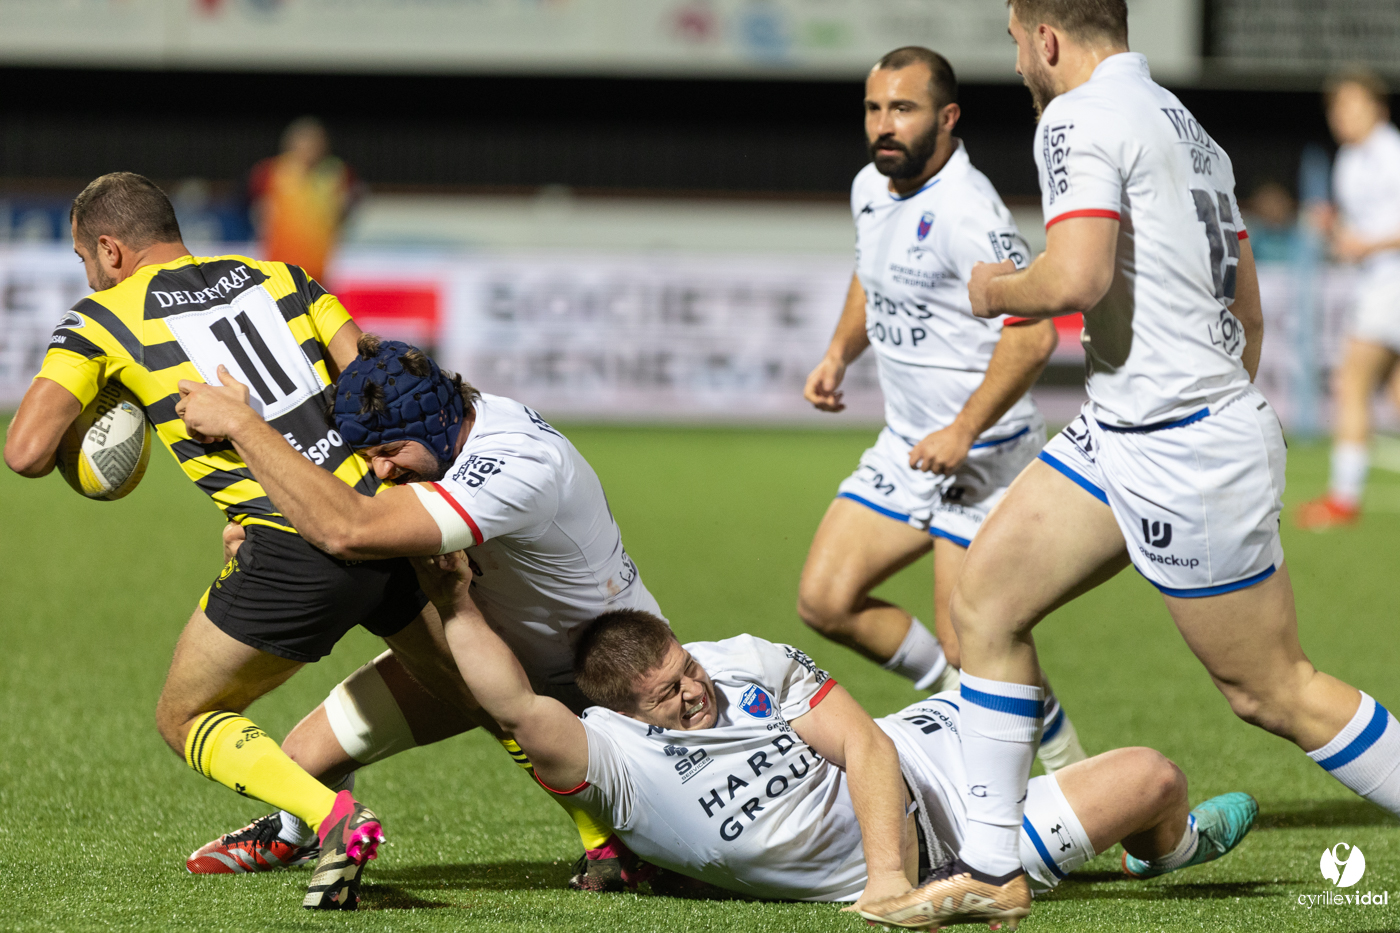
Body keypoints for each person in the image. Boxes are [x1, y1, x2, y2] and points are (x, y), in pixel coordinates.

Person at [861, 3, 1400, 929]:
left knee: (1271, 689)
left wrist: (994, 286)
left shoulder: (1073, 117)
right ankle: (993, 868)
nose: (1019, 59)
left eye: (1014, 38)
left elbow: (1073, 278)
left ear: (1048, 39)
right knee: (984, 599)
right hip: (1127, 429)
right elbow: (1249, 304)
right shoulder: (1187, 126)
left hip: (1179, 444)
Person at [2, 172, 467, 910]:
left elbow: (25, 451)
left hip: (294, 549)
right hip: (386, 521)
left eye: (84, 258)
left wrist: (106, 390)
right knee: (480, 684)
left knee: (184, 716)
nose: (86, 274)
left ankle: (331, 815)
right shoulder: (283, 276)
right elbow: (378, 383)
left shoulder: (101, 319)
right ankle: (603, 838)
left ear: (111, 250)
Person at [404, 549, 1256, 916]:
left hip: (916, 755)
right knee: (1152, 773)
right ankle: (1163, 840)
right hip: (957, 843)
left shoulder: (741, 657)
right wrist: (454, 600)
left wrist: (886, 884)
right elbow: (510, 702)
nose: (698, 691)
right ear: (629, 715)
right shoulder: (614, 760)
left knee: (1004, 671)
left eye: (687, 668)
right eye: (670, 695)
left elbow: (866, 745)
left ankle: (1163, 849)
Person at [175, 335, 662, 891]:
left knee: (671, 833)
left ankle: (617, 836)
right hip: (488, 652)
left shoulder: (516, 462)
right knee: (300, 763)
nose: (380, 471)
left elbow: (350, 530)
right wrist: (270, 539)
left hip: (606, 679)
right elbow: (341, 508)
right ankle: (299, 831)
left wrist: (243, 427)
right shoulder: (454, 429)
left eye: (390, 452)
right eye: (369, 457)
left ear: (434, 423)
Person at [798, 47, 1085, 772]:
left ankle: (1075, 778)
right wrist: (838, 354)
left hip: (984, 454)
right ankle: (959, 692)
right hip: (908, 443)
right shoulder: (872, 185)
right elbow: (872, 272)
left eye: (904, 109)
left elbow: (1034, 333)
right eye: (874, 109)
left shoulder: (968, 212)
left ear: (947, 117)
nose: (884, 125)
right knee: (826, 600)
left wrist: (963, 429)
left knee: (975, 638)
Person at [1297, 71, 1400, 529]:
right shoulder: (1350, 160)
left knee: (1352, 380)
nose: (1342, 116)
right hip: (1376, 281)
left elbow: (1380, 235)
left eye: (1352, 105)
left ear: (1377, 108)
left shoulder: (1390, 153)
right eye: (1337, 108)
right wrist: (1334, 226)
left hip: (1391, 282)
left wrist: (1365, 246)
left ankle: (1343, 498)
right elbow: (1363, 229)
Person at [248, 117, 360, 284]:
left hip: (320, 268)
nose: (308, 148)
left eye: (314, 142)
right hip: (279, 267)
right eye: (303, 141)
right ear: (289, 143)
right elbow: (258, 210)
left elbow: (347, 208)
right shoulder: (271, 171)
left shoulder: (337, 173)